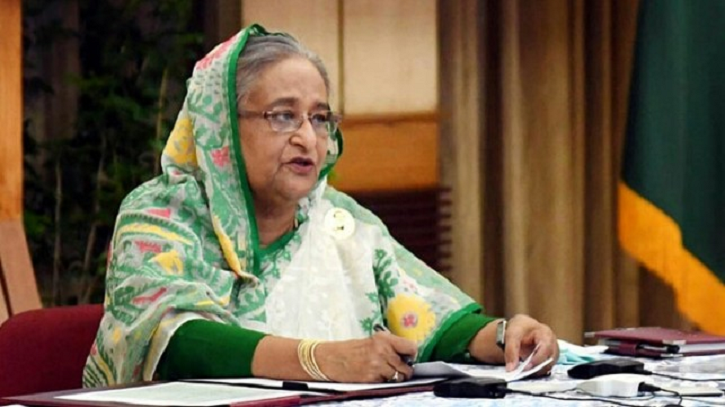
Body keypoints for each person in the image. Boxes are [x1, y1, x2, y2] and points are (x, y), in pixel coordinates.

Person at [83, 24, 558, 387]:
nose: (308, 138)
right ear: (222, 126)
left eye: (320, 118)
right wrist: (322, 359)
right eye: (283, 115)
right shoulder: (159, 215)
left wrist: (505, 337)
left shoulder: (339, 222)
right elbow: (174, 342)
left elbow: (426, 317)